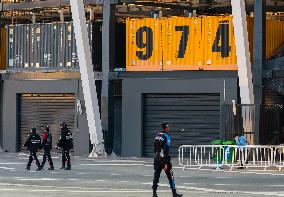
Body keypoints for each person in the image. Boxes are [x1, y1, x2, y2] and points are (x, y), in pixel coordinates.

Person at [152, 121, 182, 197]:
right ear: (166, 127)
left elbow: (155, 148)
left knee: (156, 176)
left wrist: (156, 158)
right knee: (170, 176)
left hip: (156, 158)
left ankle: (154, 193)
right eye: (168, 126)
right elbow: (165, 149)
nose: (169, 128)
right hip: (164, 159)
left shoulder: (157, 135)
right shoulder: (166, 136)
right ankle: (174, 193)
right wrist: (165, 163)